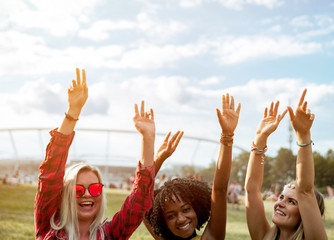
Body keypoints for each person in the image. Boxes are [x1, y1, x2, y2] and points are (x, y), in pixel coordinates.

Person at [34, 68, 155, 240]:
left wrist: (148, 139)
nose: (87, 194)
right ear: (65, 194)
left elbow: (140, 201)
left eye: (95, 188)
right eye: (78, 190)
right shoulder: (49, 224)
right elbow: (51, 172)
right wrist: (72, 112)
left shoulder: (109, 234)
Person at [145, 93, 241, 240]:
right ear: (162, 221)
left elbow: (219, 189)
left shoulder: (211, 237)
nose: (181, 219)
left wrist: (227, 136)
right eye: (171, 216)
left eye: (186, 209)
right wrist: (159, 160)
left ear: (197, 209)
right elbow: (137, 200)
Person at [245, 89, 327, 240]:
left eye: (291, 202)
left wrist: (303, 137)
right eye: (281, 197)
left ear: (307, 214)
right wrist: (260, 138)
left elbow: (305, 190)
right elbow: (252, 190)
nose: (280, 203)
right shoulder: (264, 236)